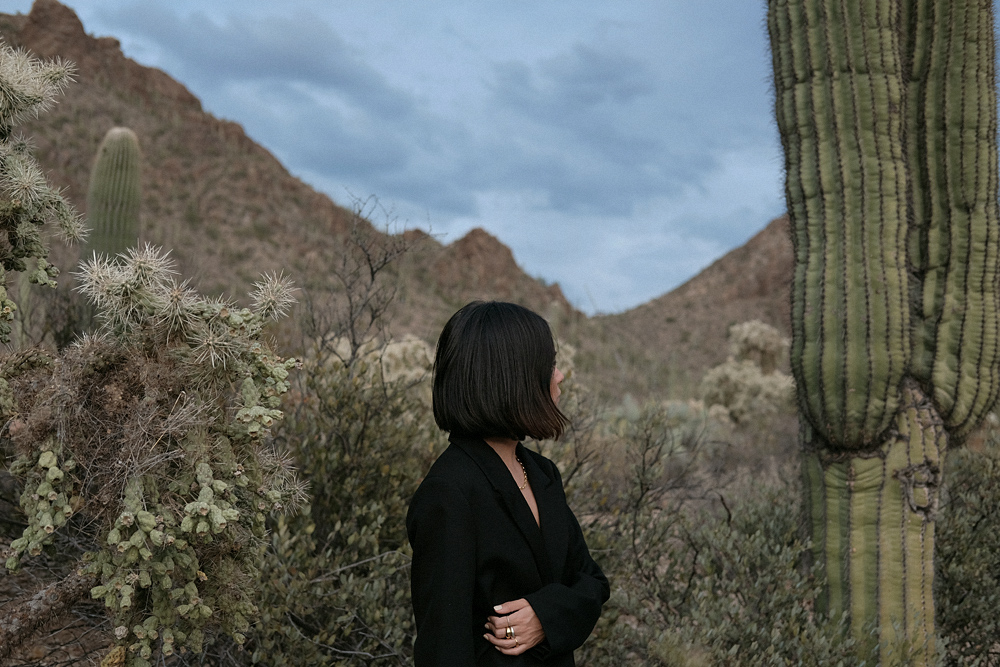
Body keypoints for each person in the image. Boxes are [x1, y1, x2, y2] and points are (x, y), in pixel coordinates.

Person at [407, 301, 609, 666]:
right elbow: (443, 648)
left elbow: (592, 583)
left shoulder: (543, 473)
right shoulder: (449, 492)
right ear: (512, 376)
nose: (560, 375)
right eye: (549, 364)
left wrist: (544, 616)